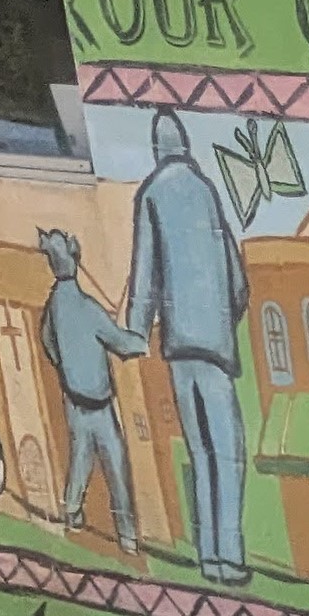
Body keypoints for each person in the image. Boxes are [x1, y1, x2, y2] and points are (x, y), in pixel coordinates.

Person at [123, 109, 250, 582]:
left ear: (158, 148)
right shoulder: (206, 190)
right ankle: (232, 557)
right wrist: (225, 318)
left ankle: (208, 555)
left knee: (200, 451)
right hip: (216, 346)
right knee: (229, 450)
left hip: (178, 346)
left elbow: (145, 271)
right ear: (186, 144)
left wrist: (139, 330)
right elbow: (236, 274)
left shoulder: (151, 193)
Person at [34, 228, 144, 555]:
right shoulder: (84, 306)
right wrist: (142, 343)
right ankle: (126, 535)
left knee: (81, 457)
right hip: (97, 402)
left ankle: (72, 512)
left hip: (74, 399)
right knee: (115, 463)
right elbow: (119, 341)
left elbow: (47, 341)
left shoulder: (54, 304)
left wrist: (64, 368)